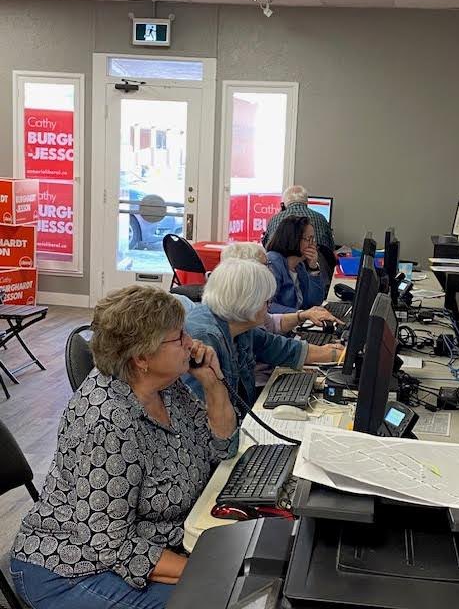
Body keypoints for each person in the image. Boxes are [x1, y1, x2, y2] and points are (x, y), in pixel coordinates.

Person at [10, 285, 238, 609]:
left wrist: (213, 383)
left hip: (148, 548)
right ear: (142, 357)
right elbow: (108, 545)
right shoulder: (107, 425)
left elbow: (222, 447)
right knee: (218, 598)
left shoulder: (166, 387)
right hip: (72, 569)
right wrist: (205, 572)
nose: (192, 342)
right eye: (179, 338)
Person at [183, 259, 344, 408]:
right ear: (247, 303)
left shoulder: (237, 325)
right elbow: (203, 413)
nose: (269, 307)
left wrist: (337, 354)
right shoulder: (204, 337)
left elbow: (279, 348)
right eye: (267, 301)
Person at [220, 241, 343, 332]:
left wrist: (303, 315)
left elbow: (271, 323)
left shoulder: (300, 267)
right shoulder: (224, 325)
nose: (269, 270)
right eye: (265, 265)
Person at [266, 216, 327, 314]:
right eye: (308, 239)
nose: (313, 245)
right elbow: (267, 306)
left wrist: (313, 267)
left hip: (295, 324)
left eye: (313, 239)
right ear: (293, 239)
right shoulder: (272, 262)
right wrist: (301, 315)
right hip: (277, 327)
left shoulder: (299, 266)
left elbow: (314, 302)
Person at [262, 185, 334, 251]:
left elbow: (266, 246)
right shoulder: (321, 218)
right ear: (306, 201)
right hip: (317, 260)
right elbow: (330, 247)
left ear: (285, 202)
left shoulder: (275, 219)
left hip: (282, 263)